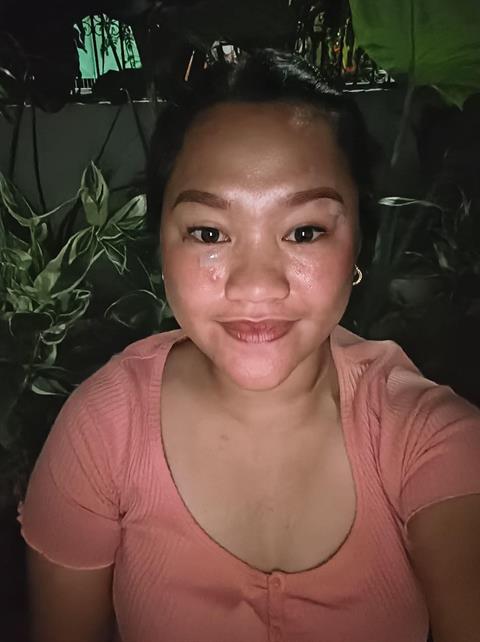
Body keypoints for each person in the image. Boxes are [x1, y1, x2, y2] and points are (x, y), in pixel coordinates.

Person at [19, 49, 480, 642]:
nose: (257, 286)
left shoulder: (427, 438)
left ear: (358, 245)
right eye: (209, 232)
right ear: (162, 247)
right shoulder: (103, 431)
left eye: (304, 231)